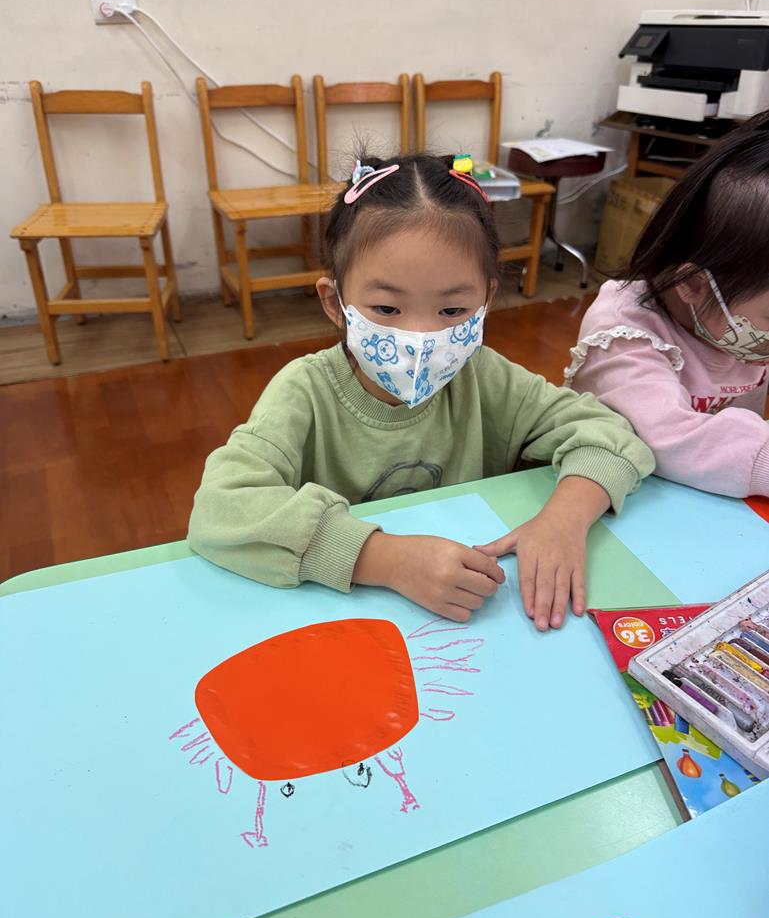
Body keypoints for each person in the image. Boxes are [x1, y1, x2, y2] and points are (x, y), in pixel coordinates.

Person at [189, 153, 653, 630]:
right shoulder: (304, 391)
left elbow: (609, 434)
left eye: (452, 311)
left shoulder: (482, 376)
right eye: (387, 309)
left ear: (487, 299)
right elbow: (220, 508)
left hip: (474, 620)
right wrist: (384, 559)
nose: (420, 337)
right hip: (346, 622)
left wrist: (563, 522)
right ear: (335, 302)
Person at [567, 113, 769, 499]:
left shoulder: (740, 321)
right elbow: (667, 440)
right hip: (616, 495)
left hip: (710, 497)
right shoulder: (623, 333)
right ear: (693, 284)